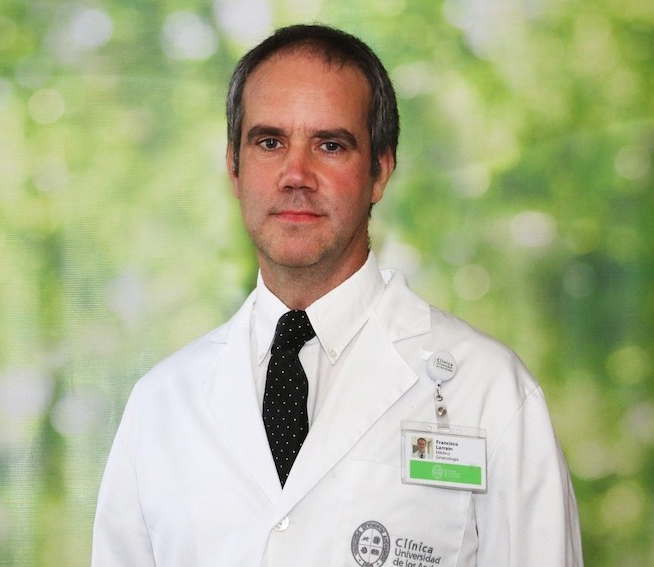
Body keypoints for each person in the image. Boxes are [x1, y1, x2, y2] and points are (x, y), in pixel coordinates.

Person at [92, 23, 583, 566]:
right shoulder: (161, 406)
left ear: (379, 172)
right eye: (270, 142)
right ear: (234, 167)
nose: (296, 174)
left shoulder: (490, 394)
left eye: (330, 145)